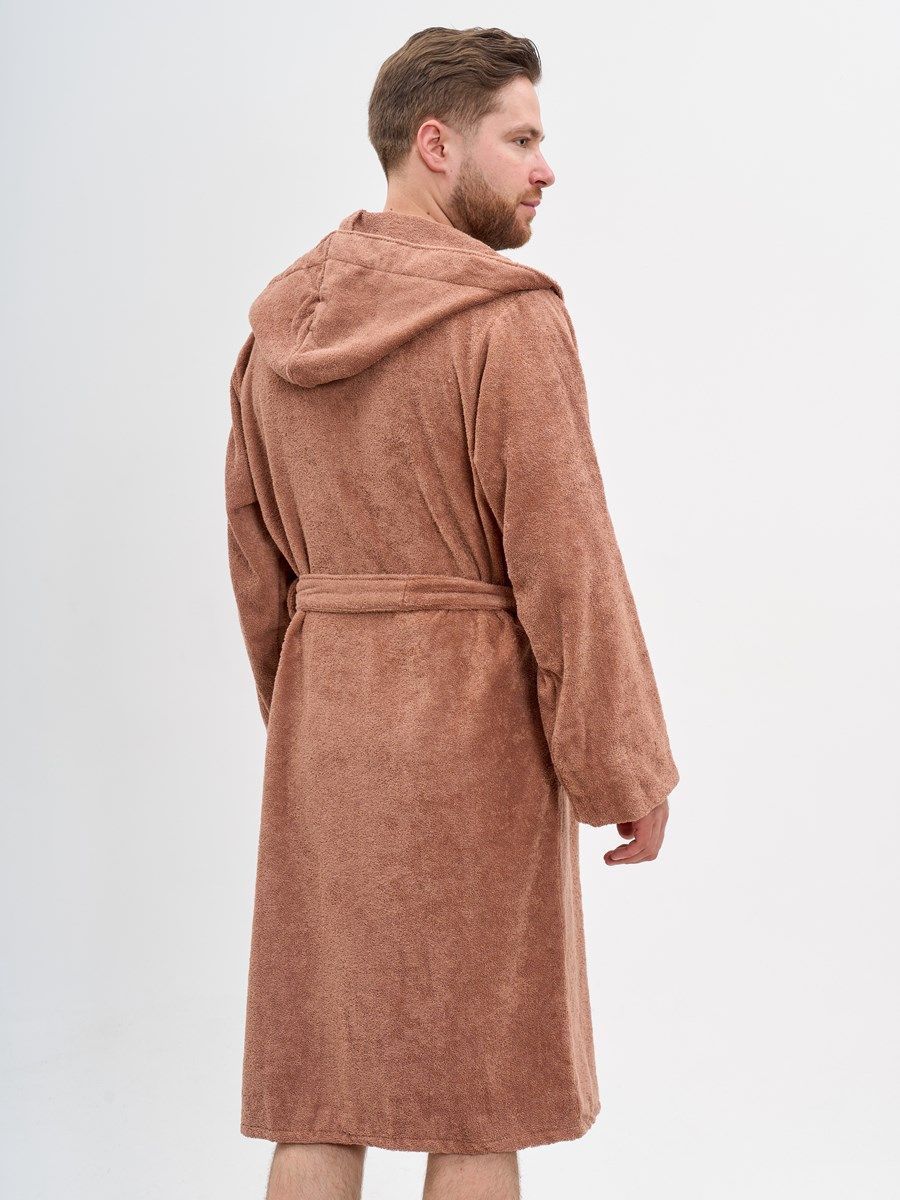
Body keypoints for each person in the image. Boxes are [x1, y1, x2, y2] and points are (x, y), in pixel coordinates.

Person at [225, 25, 679, 1200]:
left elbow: (257, 567)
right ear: (437, 144)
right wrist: (624, 766)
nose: (546, 168)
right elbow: (568, 564)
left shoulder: (273, 332)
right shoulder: (506, 319)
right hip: (472, 742)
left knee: (319, 1092)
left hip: (326, 740)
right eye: (520, 139)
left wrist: (306, 715)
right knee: (478, 1099)